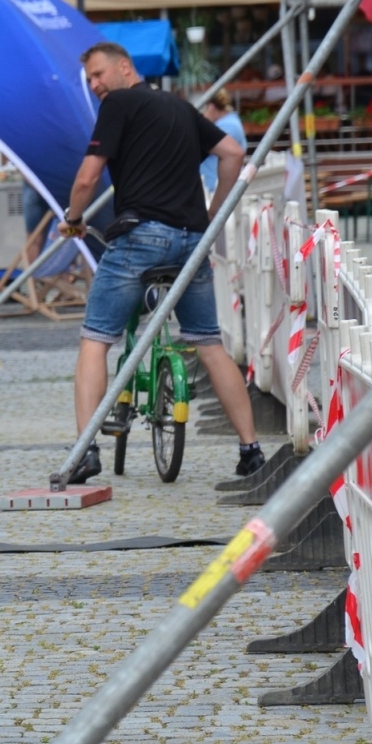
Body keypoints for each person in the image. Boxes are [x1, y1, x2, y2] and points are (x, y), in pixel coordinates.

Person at [64, 42, 264, 481]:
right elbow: (232, 153)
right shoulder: (180, 108)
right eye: (90, 80)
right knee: (209, 343)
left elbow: (86, 177)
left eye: (99, 74)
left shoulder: (119, 104)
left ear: (124, 67)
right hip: (192, 241)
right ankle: (251, 450)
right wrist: (212, 218)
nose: (96, 86)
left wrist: (72, 218)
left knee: (95, 340)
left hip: (142, 237)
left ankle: (85, 452)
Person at [199, 89, 247, 195]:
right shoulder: (231, 122)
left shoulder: (227, 126)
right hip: (214, 184)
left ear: (211, 107)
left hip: (214, 186)